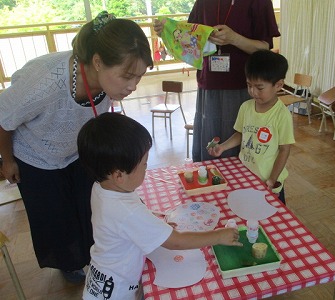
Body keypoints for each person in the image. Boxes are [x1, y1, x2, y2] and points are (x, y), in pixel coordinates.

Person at [0, 11, 153, 283]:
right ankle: (69, 264)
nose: (132, 86)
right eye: (127, 76)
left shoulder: (107, 84)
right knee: (56, 217)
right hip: (36, 158)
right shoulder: (43, 83)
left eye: (139, 77)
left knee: (87, 207)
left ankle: (91, 255)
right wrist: (8, 160)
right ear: (97, 62)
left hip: (77, 152)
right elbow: (4, 118)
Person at [77, 112, 242, 300]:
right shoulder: (127, 212)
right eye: (145, 165)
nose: (147, 169)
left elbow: (126, 225)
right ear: (119, 176)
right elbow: (176, 242)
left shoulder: (101, 186)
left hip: (100, 276)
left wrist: (154, 228)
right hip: (116, 291)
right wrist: (218, 235)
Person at [153, 0, 280, 162]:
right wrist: (168, 32)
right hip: (209, 84)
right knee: (209, 143)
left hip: (243, 86)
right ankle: (208, 182)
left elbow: (264, 47)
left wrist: (234, 38)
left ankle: (239, 183)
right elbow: (192, 38)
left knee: (240, 138)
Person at [208, 50, 294, 204]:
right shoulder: (246, 107)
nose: (253, 92)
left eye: (259, 88)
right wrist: (222, 147)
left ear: (278, 85)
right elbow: (241, 133)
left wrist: (272, 178)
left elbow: (284, 150)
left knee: (272, 216)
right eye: (249, 85)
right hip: (246, 174)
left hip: (269, 180)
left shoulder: (282, 115)